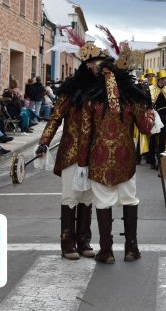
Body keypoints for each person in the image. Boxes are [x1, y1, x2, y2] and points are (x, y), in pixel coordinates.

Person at [76, 34, 157, 263]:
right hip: (126, 158)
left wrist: (82, 164)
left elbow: (85, 135)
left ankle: (107, 251)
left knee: (103, 202)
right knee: (129, 199)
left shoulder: (91, 101)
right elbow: (146, 128)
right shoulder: (131, 101)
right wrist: (151, 113)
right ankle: (132, 248)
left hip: (99, 159)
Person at [36, 35, 105, 261]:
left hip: (93, 153)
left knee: (87, 197)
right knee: (70, 196)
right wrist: (44, 142)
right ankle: (67, 242)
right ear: (88, 66)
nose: (100, 68)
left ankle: (84, 240)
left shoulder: (102, 94)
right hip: (72, 152)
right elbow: (55, 118)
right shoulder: (70, 91)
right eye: (96, 64)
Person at [149, 69, 166, 170]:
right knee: (153, 139)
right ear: (160, 79)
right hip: (154, 117)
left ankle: (161, 160)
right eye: (165, 79)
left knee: (163, 139)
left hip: (165, 117)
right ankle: (152, 160)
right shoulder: (151, 89)